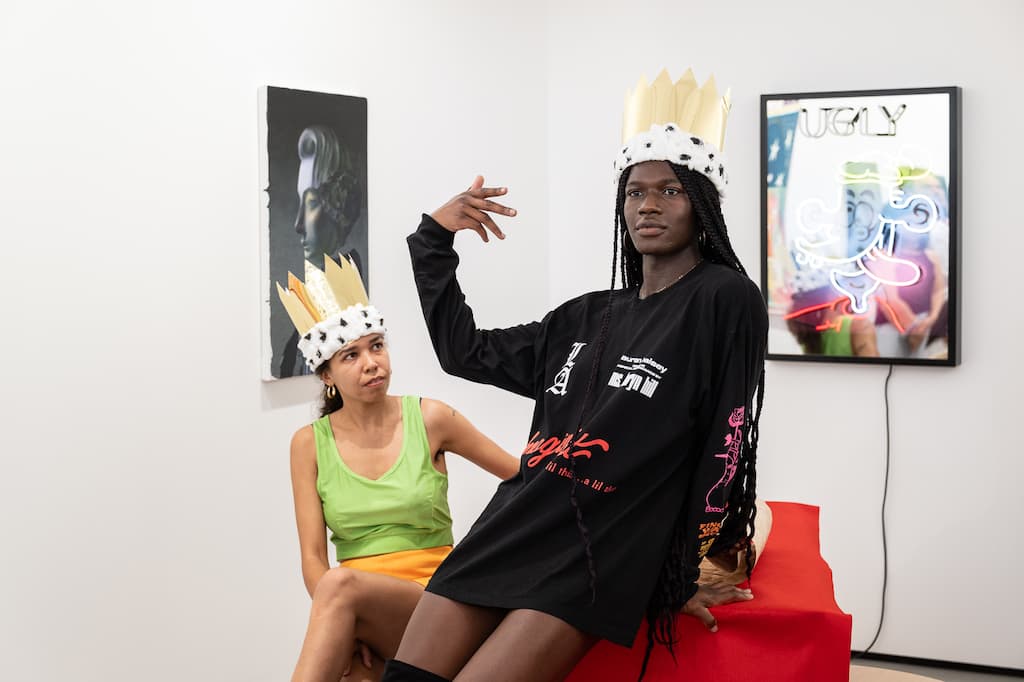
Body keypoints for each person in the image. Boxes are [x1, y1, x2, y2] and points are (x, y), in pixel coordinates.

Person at [383, 70, 768, 682]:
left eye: (670, 190)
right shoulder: (586, 316)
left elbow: (724, 438)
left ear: (704, 202)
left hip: (600, 552)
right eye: (635, 190)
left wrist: (680, 570)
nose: (648, 204)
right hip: (514, 526)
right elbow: (465, 352)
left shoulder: (724, 299)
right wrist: (434, 241)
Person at [278, 257, 519, 682]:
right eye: (350, 355)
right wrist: (347, 624)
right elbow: (313, 558)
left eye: (376, 346)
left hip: (440, 603)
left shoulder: (432, 418)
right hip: (360, 612)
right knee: (343, 609)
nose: (371, 363)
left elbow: (522, 478)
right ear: (327, 375)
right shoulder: (308, 444)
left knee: (339, 585)